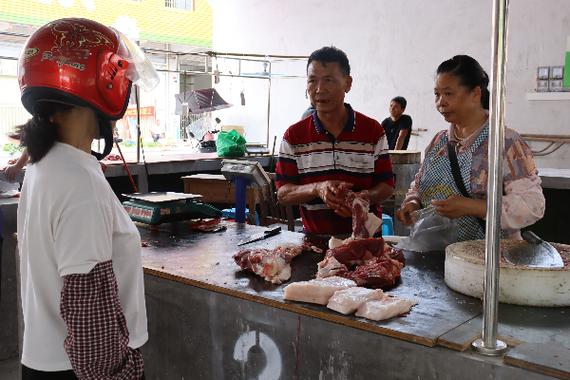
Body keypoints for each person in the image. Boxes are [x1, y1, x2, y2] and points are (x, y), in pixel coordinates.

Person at [16, 18, 158, 379]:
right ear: (103, 83)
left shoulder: (45, 166)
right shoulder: (77, 182)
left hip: (45, 361)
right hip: (82, 371)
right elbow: (87, 310)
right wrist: (125, 373)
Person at [396, 55, 544, 241]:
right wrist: (413, 202)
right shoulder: (438, 142)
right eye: (437, 94)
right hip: (435, 255)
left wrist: (472, 206)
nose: (440, 102)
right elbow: (418, 186)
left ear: (475, 93)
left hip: (486, 260)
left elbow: (532, 205)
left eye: (448, 94)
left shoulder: (505, 142)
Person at [275, 46, 395, 236]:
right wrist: (317, 188)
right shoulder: (294, 136)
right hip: (316, 243)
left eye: (328, 80)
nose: (319, 89)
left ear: (347, 83)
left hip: (366, 242)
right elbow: (283, 194)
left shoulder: (372, 131)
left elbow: (387, 186)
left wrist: (362, 199)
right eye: (312, 81)